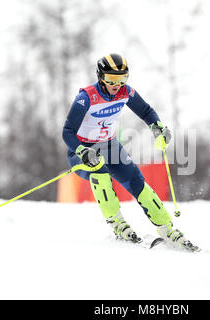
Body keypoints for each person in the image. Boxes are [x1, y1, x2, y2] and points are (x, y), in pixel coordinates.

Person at [62, 53, 198, 251]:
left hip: (109, 145)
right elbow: (67, 132)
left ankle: (167, 229)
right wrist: (83, 151)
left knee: (136, 181)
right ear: (101, 77)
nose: (117, 84)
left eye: (122, 78)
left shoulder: (126, 92)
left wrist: (157, 127)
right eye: (111, 79)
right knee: (101, 174)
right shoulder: (86, 97)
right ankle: (118, 225)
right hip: (81, 151)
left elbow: (146, 111)